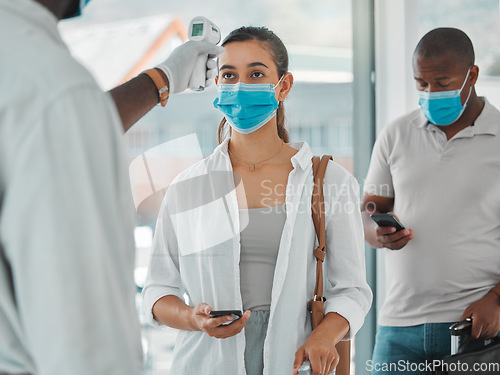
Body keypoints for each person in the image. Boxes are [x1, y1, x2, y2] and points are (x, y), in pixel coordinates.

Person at [0, 0, 223, 374]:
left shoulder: (29, 75)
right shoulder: (54, 87)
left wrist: (165, 77)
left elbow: (67, 125)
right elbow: (87, 346)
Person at [142, 26, 372, 375]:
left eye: (256, 74)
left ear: (284, 86)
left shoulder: (328, 182)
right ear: (217, 84)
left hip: (293, 361)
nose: (241, 86)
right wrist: (192, 317)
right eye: (229, 75)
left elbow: (353, 290)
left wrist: (325, 335)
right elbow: (158, 289)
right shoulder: (188, 187)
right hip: (206, 362)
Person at [362, 27, 500, 375]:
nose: (430, 93)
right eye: (421, 84)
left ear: (472, 75)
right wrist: (374, 232)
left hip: (477, 327)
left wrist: (497, 299)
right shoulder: (396, 133)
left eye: (442, 83)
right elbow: (370, 209)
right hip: (398, 328)